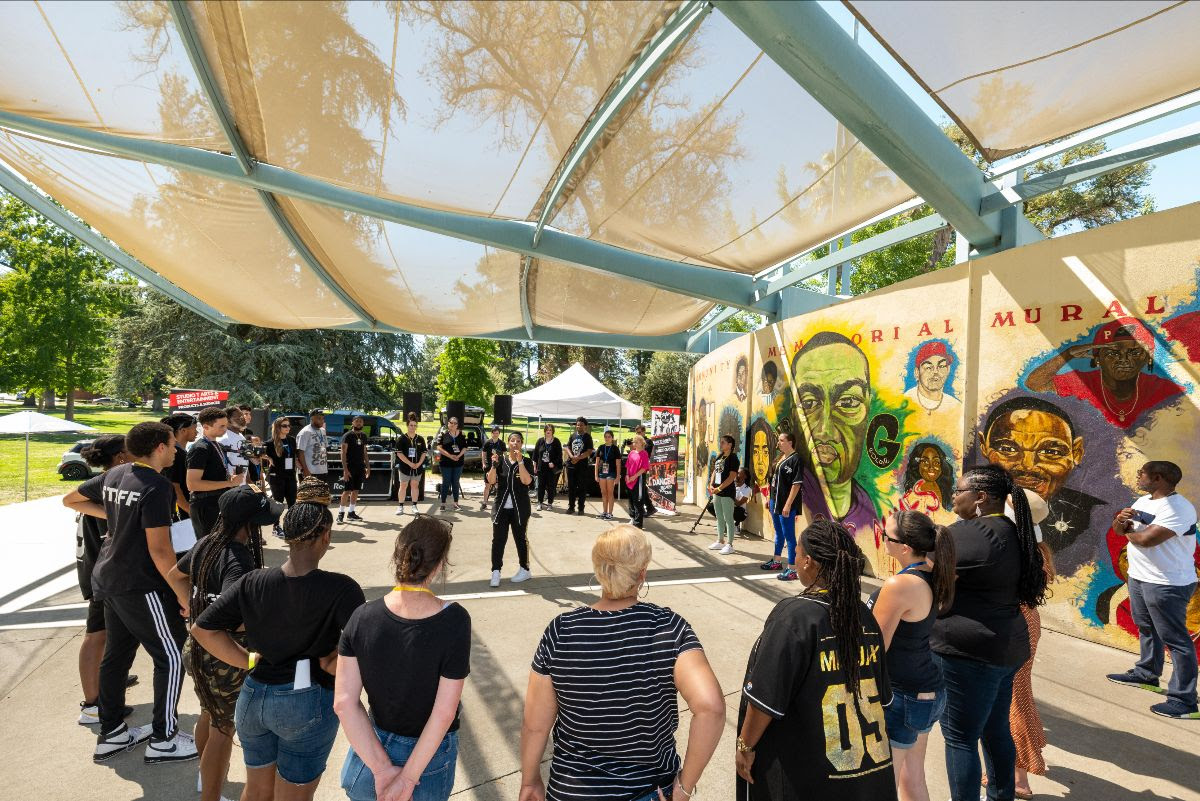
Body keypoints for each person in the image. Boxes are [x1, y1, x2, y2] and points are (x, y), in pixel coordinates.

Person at [519, 525, 725, 801]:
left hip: (572, 791)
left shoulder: (561, 630)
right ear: (642, 574)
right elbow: (710, 709)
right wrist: (684, 788)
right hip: (648, 790)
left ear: (598, 570)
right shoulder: (669, 627)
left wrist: (530, 780)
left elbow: (535, 725)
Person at [192, 482, 366, 801]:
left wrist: (246, 660)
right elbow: (365, 649)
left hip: (253, 696)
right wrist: (333, 664)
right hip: (305, 701)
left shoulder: (253, 581)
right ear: (325, 536)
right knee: (293, 795)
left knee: (256, 790)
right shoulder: (341, 589)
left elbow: (202, 630)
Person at [64, 421, 198, 764]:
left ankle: (111, 734)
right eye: (171, 444)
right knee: (170, 656)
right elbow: (161, 551)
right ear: (158, 448)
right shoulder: (156, 485)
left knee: (117, 656)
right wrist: (185, 594)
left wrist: (116, 517)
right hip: (139, 583)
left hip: (108, 579)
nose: (175, 450)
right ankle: (165, 738)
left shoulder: (117, 473)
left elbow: (72, 498)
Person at [735, 520, 896, 800]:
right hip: (866, 777)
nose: (793, 559)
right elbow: (882, 698)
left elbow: (764, 699)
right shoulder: (864, 616)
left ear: (808, 562)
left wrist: (746, 746)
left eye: (795, 553)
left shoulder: (795, 617)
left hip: (809, 777)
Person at [335, 517, 470, 801]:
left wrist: (382, 770)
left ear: (399, 556)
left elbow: (344, 703)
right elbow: (444, 712)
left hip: (371, 750)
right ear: (439, 566)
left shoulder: (361, 617)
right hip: (429, 759)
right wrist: (408, 777)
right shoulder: (455, 621)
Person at [934, 465, 1047, 801]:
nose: (953, 496)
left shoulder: (965, 534)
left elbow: (930, 582)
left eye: (959, 490)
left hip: (968, 655)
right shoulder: (1016, 532)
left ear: (980, 496)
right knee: (995, 728)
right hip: (1008, 646)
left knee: (960, 737)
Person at [168, 486, 280, 801]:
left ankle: (207, 781)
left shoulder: (207, 543)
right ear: (249, 523)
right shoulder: (239, 559)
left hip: (197, 647)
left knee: (209, 712)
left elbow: (174, 575)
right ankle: (211, 795)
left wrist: (193, 608)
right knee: (223, 727)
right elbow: (238, 613)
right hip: (225, 655)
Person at [868, 510, 956, 801]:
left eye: (886, 536)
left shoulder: (900, 585)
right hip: (927, 691)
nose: (883, 539)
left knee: (882, 785)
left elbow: (875, 647)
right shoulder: (931, 569)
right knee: (913, 779)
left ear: (904, 546)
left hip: (902, 696)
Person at [1106, 461, 1198, 718]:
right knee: (1146, 627)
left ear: (1157, 478)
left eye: (1142, 473)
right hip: (1139, 577)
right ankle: (1147, 674)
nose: (1138, 476)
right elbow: (1119, 529)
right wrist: (1121, 522)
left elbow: (1147, 540)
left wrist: (1126, 530)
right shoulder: (1142, 502)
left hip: (1168, 582)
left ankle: (1184, 701)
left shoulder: (1179, 509)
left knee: (1176, 640)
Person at [977, 396, 1103, 571]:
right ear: (984, 446)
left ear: (1076, 453)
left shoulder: (1095, 517)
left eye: (1050, 451)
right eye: (1008, 449)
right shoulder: (973, 510)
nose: (1028, 465)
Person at [73, 435, 138, 727]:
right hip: (101, 573)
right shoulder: (106, 488)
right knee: (97, 635)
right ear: (121, 456)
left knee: (108, 635)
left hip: (101, 571)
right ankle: (91, 704)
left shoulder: (106, 484)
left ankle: (106, 686)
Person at [791, 333, 878, 535]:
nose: (825, 430)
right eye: (809, 403)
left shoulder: (870, 512)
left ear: (868, 406)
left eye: (847, 402)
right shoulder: (799, 493)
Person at [1026, 318, 1183, 429]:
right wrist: (1068, 354)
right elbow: (1035, 384)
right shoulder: (1083, 383)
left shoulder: (1163, 389)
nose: (1124, 360)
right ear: (1098, 357)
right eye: (1113, 353)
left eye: (1134, 352)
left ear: (1146, 358)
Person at [487, 432, 535, 588]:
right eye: (512, 440)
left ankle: (524, 569)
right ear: (508, 443)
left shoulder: (526, 462)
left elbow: (527, 481)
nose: (515, 443)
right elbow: (491, 480)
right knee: (498, 540)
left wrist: (520, 462)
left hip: (519, 509)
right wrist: (493, 466)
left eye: (518, 441)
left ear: (521, 444)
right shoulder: (500, 461)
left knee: (520, 539)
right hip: (501, 508)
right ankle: (495, 571)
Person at [188, 407, 242, 539]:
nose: (225, 429)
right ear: (206, 426)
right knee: (208, 549)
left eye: (226, 425)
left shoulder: (216, 445)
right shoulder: (200, 448)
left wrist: (229, 478)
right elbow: (193, 484)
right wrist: (229, 483)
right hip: (205, 506)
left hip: (216, 503)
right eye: (221, 426)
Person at [762, 432, 803, 581]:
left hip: (786, 504)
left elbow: (796, 484)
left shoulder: (796, 459)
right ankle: (777, 561)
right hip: (775, 501)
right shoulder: (779, 458)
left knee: (789, 536)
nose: (778, 443)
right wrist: (768, 498)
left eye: (781, 440)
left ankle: (792, 569)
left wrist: (788, 504)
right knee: (778, 532)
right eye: (778, 440)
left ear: (790, 442)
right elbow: (771, 480)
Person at [904, 341, 961, 417]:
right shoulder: (905, 402)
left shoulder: (955, 406)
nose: (935, 372)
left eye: (941, 366)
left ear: (948, 370)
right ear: (917, 372)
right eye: (928, 367)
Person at [160, 413, 197, 520]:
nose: (197, 432)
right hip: (180, 514)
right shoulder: (177, 454)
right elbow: (174, 487)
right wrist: (190, 510)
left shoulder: (180, 452)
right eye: (194, 428)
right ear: (183, 431)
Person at [707, 434, 738, 555]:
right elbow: (715, 470)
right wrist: (711, 484)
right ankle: (720, 541)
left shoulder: (733, 458)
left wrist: (719, 488)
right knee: (719, 517)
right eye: (721, 442)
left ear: (730, 445)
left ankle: (730, 544)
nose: (721, 444)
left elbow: (732, 477)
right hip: (716, 491)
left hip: (726, 492)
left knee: (728, 518)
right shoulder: (720, 456)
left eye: (723, 443)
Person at [394, 414, 428, 516]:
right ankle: (400, 506)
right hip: (405, 467)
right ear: (407, 426)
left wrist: (418, 464)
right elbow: (399, 453)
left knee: (415, 485)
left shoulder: (420, 439)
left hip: (417, 467)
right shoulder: (401, 439)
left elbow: (423, 453)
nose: (413, 427)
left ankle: (414, 506)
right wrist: (410, 463)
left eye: (414, 425)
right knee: (403, 485)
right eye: (411, 425)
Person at [339, 415, 370, 524]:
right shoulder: (347, 435)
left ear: (363, 424)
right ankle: (341, 514)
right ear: (352, 423)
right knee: (347, 491)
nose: (358, 423)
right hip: (350, 467)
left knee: (356, 490)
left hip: (360, 467)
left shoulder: (364, 436)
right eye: (356, 421)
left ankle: (351, 512)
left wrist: (368, 467)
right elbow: (343, 453)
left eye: (360, 422)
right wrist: (345, 469)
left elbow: (364, 452)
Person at [263, 417, 299, 508]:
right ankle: (276, 522)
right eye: (284, 426)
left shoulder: (291, 440)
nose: (288, 427)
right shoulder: (270, 443)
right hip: (277, 476)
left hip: (290, 475)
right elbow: (256, 454)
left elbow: (294, 455)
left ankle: (291, 522)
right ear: (278, 427)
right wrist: (268, 458)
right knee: (278, 502)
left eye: (289, 425)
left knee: (292, 502)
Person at [565, 416, 594, 515]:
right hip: (571, 465)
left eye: (581, 425)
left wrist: (578, 458)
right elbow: (567, 447)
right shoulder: (572, 435)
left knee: (582, 487)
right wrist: (572, 456)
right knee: (571, 487)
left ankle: (581, 508)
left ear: (585, 426)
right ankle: (571, 507)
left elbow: (589, 451)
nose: (579, 426)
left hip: (582, 466)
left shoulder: (587, 437)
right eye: (577, 425)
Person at [436, 417, 467, 512]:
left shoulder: (462, 435)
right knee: (446, 482)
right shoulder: (443, 434)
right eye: (451, 423)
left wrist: (458, 456)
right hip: (445, 463)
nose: (453, 424)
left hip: (458, 463)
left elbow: (465, 447)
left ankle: (456, 504)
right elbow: (439, 448)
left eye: (455, 423)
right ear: (448, 423)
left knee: (455, 482)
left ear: (457, 425)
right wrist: (450, 456)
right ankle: (443, 503)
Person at [593, 428, 622, 521]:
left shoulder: (615, 448)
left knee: (610, 493)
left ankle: (610, 513)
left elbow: (618, 464)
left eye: (609, 437)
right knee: (603, 493)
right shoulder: (601, 447)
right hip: (602, 473)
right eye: (605, 437)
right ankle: (604, 512)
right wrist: (596, 475)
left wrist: (617, 476)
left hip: (611, 473)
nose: (607, 438)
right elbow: (597, 463)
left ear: (612, 438)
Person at [532, 424, 563, 511]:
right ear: (545, 431)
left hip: (551, 469)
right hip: (541, 468)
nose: (548, 431)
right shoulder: (540, 441)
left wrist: (554, 463)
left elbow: (559, 456)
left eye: (550, 430)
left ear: (553, 431)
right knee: (540, 486)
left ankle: (550, 503)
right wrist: (535, 466)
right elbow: (535, 455)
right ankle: (539, 503)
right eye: (547, 430)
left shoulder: (556, 441)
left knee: (551, 486)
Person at [217, 405, 249, 484]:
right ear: (228, 420)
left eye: (242, 415)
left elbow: (245, 464)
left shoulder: (241, 437)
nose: (242, 418)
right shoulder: (223, 439)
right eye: (238, 417)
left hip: (241, 487)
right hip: (229, 489)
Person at [624, 435, 650, 529]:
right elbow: (627, 465)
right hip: (629, 479)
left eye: (637, 442)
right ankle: (633, 518)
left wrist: (634, 477)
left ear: (642, 443)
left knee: (638, 501)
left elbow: (644, 468)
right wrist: (627, 475)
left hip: (638, 479)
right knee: (630, 500)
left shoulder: (644, 453)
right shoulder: (631, 453)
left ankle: (638, 524)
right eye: (634, 442)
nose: (635, 443)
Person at [297, 409, 330, 481]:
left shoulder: (323, 431)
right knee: (307, 492)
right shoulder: (305, 432)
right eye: (319, 418)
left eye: (323, 418)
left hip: (322, 471)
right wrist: (305, 470)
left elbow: (325, 448)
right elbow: (300, 452)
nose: (322, 420)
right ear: (312, 419)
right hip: (309, 471)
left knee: (322, 492)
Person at [634, 424, 658, 518]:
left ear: (644, 432)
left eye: (640, 432)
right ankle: (649, 507)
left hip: (643, 468)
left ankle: (648, 508)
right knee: (642, 489)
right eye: (637, 433)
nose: (638, 434)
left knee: (642, 489)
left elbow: (645, 453)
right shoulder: (637, 441)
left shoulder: (648, 441)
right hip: (636, 468)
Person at [480, 425, 505, 512]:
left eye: (497, 433)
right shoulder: (487, 442)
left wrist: (504, 464)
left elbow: (505, 455)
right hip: (489, 466)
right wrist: (483, 463)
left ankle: (498, 503)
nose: (495, 435)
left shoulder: (502, 443)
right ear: (491, 433)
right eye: (494, 433)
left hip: (499, 466)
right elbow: (483, 453)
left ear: (499, 434)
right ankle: (484, 502)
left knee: (499, 485)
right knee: (487, 485)